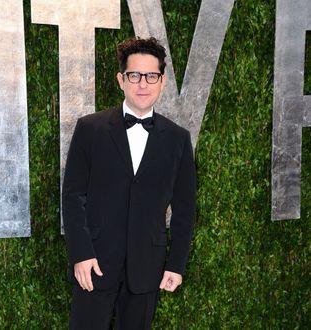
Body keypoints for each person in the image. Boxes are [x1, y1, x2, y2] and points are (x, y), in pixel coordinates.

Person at [62, 36, 196, 330]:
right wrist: (81, 254)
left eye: (151, 76)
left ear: (161, 82)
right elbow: (72, 196)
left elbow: (185, 210)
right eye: (135, 75)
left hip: (147, 266)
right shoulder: (89, 129)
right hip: (94, 263)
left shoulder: (178, 139)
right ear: (121, 79)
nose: (143, 84)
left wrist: (176, 263)